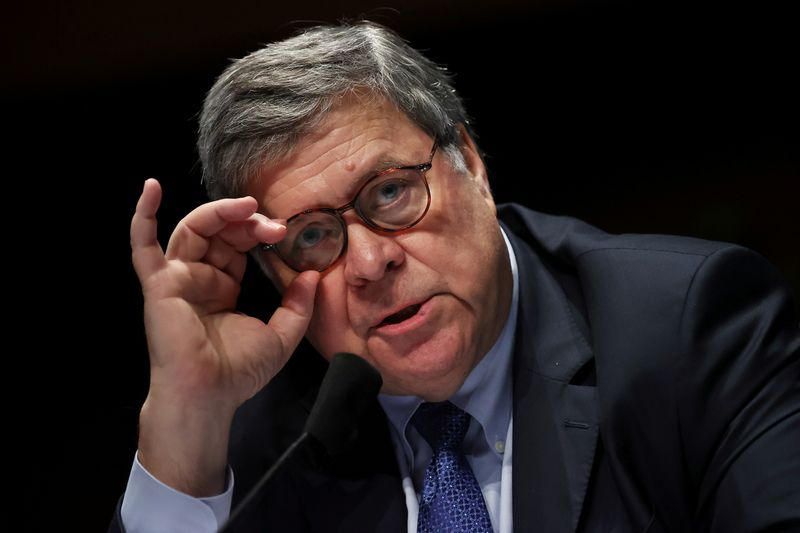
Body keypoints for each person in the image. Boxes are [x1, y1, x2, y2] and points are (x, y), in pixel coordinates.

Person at [110, 21, 800, 533]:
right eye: (313, 236)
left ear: (470, 161)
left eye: (389, 193)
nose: (372, 262)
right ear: (271, 269)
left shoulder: (687, 329)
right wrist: (186, 424)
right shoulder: (262, 440)